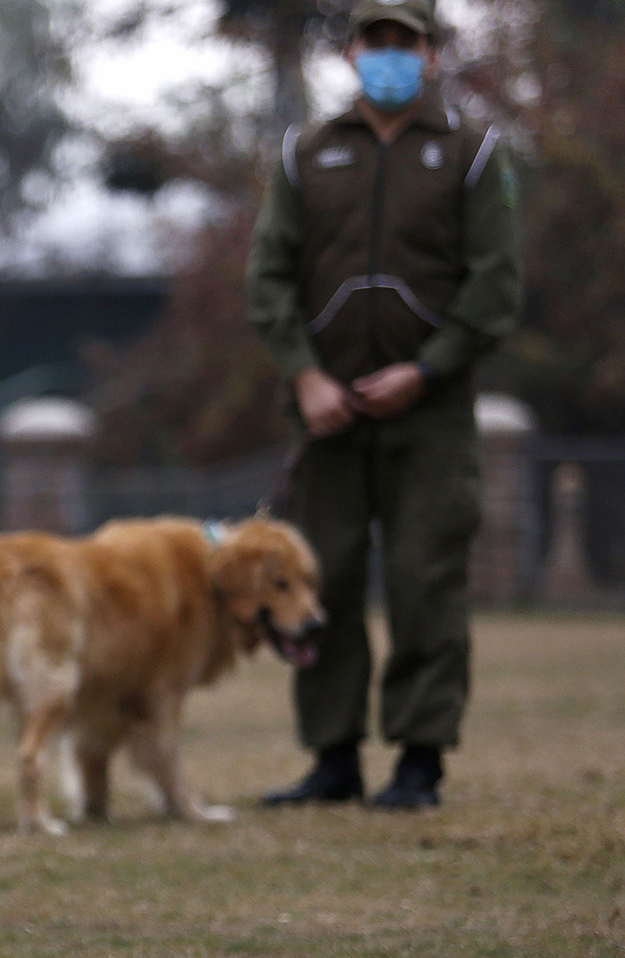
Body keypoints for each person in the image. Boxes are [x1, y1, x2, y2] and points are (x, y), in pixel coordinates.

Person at [246, 0, 520, 811]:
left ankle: (419, 762)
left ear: (431, 55)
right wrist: (304, 376)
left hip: (431, 415)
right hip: (326, 413)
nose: (390, 55)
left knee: (425, 580)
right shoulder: (307, 154)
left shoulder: (472, 155)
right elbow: (268, 278)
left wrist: (426, 370)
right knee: (316, 581)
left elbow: (497, 284)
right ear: (353, 51)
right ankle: (331, 760)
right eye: (376, 41)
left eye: (406, 42)